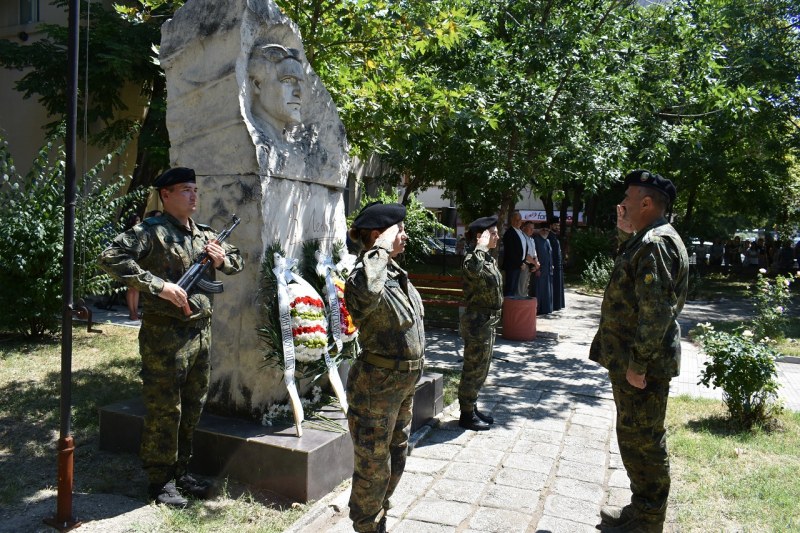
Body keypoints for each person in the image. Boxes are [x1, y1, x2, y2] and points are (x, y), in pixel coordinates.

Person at [98, 167, 244, 508]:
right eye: (184, 190)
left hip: (201, 334)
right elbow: (109, 257)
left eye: (195, 189)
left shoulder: (204, 235)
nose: (193, 196)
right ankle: (159, 481)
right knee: (166, 409)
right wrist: (159, 286)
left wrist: (222, 260)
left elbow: (237, 261)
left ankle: (181, 471)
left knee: (193, 407)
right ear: (166, 195)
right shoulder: (152, 232)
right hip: (165, 337)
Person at [589, 169, 688, 533]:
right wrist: (624, 232)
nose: (623, 203)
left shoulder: (656, 243)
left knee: (645, 443)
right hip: (635, 362)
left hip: (642, 366)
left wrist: (638, 364)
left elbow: (656, 311)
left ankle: (648, 521)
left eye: (628, 198)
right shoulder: (645, 239)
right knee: (634, 439)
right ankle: (641, 510)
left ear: (646, 203)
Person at [344, 201, 425, 533]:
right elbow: (363, 297)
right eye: (399, 230)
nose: (405, 236)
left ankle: (379, 514)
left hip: (402, 384)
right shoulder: (363, 276)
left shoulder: (392, 272)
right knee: (372, 465)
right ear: (378, 236)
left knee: (396, 456)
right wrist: (377, 251)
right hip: (376, 387)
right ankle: (366, 525)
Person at [458, 216, 503, 432]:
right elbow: (473, 271)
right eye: (492, 233)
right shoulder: (472, 259)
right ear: (480, 236)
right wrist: (480, 247)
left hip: (487, 322)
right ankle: (465, 414)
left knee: (482, 369)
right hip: (477, 322)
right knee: (473, 368)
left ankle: (472, 406)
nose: (497, 236)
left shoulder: (487, 259)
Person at [502, 211, 530, 296]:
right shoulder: (509, 233)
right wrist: (520, 263)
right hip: (512, 266)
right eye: (516, 220)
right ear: (511, 220)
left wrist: (524, 262)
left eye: (519, 220)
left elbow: (523, 248)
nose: (518, 222)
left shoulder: (520, 232)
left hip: (520, 265)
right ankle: (507, 308)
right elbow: (511, 251)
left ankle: (512, 307)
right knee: (510, 289)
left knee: (514, 290)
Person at [124, 213, 142, 320]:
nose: (139, 222)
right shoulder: (128, 234)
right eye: (137, 220)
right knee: (131, 289)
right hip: (128, 262)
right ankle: (132, 312)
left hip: (138, 262)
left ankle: (136, 311)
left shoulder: (139, 233)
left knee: (137, 288)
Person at [533, 223, 553, 315]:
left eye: (548, 230)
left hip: (548, 270)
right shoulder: (536, 240)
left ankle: (546, 309)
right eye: (544, 229)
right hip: (540, 270)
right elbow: (534, 255)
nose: (546, 232)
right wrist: (537, 269)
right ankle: (538, 309)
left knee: (547, 290)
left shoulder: (548, 241)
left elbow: (550, 255)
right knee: (539, 290)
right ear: (540, 230)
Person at [519, 220, 540, 297]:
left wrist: (536, 264)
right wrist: (535, 263)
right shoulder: (522, 238)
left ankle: (524, 305)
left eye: (533, 228)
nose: (532, 230)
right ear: (524, 228)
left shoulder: (531, 239)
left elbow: (534, 254)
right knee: (521, 287)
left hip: (530, 266)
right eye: (530, 228)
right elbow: (526, 255)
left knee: (526, 287)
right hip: (524, 266)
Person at [548, 217, 565, 311]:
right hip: (553, 265)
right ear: (550, 226)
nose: (557, 227)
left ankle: (558, 304)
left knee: (558, 284)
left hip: (558, 265)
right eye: (555, 225)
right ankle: (554, 304)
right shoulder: (549, 236)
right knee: (554, 285)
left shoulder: (554, 236)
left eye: (558, 225)